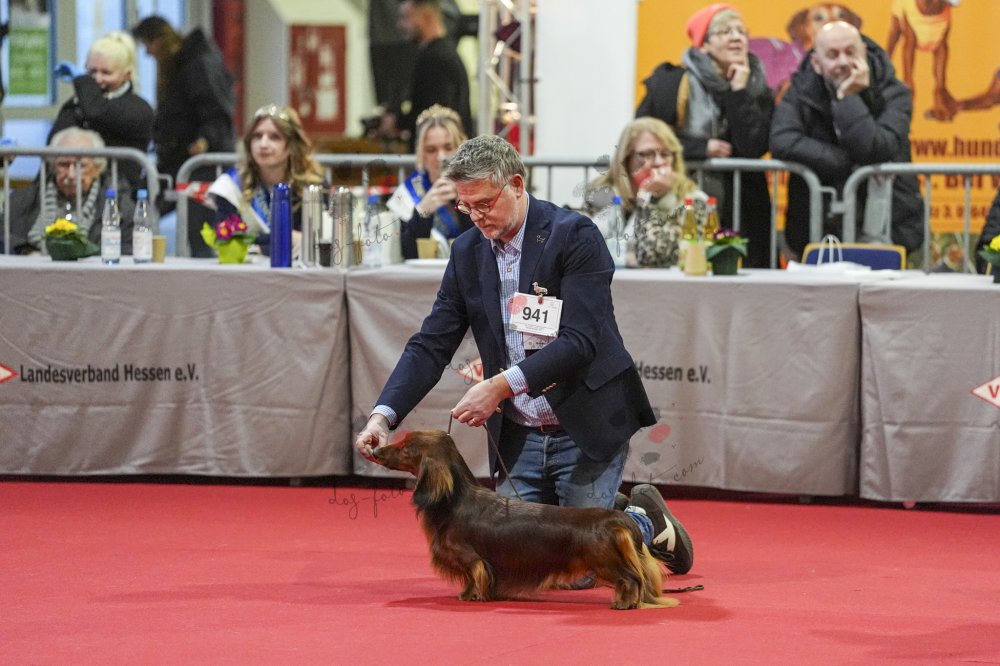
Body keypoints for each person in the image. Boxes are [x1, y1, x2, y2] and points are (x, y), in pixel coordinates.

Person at [354, 134, 694, 575]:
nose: (476, 217)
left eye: (484, 204)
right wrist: (383, 417)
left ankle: (644, 521)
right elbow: (431, 343)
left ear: (516, 184)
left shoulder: (574, 236)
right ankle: (605, 510)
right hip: (520, 434)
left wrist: (499, 386)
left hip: (585, 421)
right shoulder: (466, 252)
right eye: (465, 207)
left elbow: (580, 341)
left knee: (581, 571)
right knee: (521, 566)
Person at [770, 20, 924, 259]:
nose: (843, 62)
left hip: (889, 223)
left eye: (851, 52)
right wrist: (844, 163)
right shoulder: (799, 92)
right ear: (816, 63)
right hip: (819, 226)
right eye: (833, 55)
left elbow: (876, 149)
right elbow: (782, 140)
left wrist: (847, 97)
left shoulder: (894, 91)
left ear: (864, 52)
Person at [636, 3, 774, 268]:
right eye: (725, 31)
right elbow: (642, 135)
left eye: (741, 31)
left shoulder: (757, 87)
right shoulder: (672, 83)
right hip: (684, 198)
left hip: (744, 205)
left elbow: (754, 147)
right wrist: (700, 148)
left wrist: (738, 92)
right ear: (704, 44)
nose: (736, 37)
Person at [132, 15, 236, 257]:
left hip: (199, 161)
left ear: (159, 40)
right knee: (148, 208)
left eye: (148, 44)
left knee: (198, 232)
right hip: (181, 158)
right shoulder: (185, 63)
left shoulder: (197, 64)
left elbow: (216, 109)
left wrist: (205, 139)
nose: (147, 52)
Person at [586, 117, 706, 268]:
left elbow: (658, 257)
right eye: (646, 154)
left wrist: (650, 200)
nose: (658, 162)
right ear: (625, 159)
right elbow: (584, 250)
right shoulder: (601, 194)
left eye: (665, 154)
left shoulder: (693, 201)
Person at [207, 104, 324, 257]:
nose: (263, 144)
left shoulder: (313, 186)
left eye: (274, 137)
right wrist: (287, 238)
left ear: (292, 145)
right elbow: (225, 240)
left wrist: (258, 244)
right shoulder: (231, 185)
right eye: (257, 136)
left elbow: (318, 241)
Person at [49, 31, 154, 192]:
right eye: (92, 72)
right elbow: (53, 143)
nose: (97, 79)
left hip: (117, 194)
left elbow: (96, 112)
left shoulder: (139, 109)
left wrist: (82, 81)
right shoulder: (76, 103)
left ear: (127, 75)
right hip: (66, 192)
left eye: (106, 73)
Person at [2, 127, 135, 255]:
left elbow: (130, 248)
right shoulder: (24, 199)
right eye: (64, 165)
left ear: (97, 168)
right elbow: (2, 235)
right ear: (53, 166)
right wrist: (26, 252)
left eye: (81, 165)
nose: (71, 175)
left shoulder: (119, 206)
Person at [378, 0, 473, 148]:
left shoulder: (435, 59)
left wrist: (397, 122)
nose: (400, 25)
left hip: (443, 158)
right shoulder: (443, 54)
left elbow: (435, 115)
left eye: (407, 17)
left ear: (427, 17)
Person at [386, 104, 474, 259]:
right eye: (431, 150)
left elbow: (486, 245)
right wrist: (423, 211)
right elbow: (406, 253)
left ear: (461, 149)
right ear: (421, 153)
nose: (441, 157)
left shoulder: (477, 187)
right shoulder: (408, 192)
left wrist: (463, 203)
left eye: (448, 147)